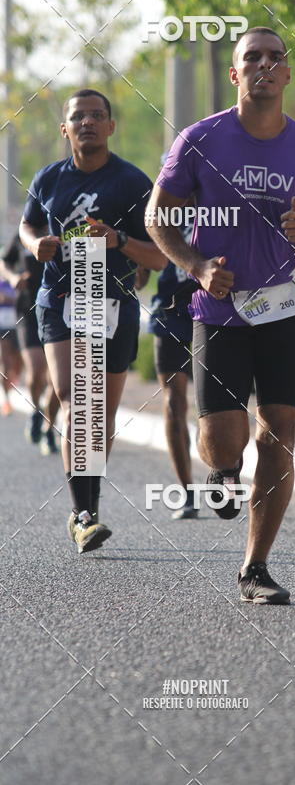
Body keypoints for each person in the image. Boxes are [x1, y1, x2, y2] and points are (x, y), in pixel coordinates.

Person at [146, 27, 295, 604]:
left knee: (279, 432)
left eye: (274, 58)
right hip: (219, 310)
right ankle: (222, 472)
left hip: (283, 310)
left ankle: (255, 568)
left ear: (287, 74)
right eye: (250, 58)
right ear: (234, 74)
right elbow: (158, 218)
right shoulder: (200, 139)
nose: (264, 65)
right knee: (223, 440)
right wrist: (197, 265)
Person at [19, 89, 166, 554]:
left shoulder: (133, 182)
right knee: (75, 400)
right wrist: (34, 244)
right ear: (64, 129)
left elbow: (159, 257)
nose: (87, 122)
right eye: (77, 117)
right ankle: (83, 516)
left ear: (110, 126)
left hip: (114, 304)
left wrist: (119, 239)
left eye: (96, 116)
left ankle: (88, 508)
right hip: (61, 299)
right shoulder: (47, 179)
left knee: (98, 416)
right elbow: (26, 226)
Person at [146, 221, 199, 519]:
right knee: (173, 403)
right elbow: (145, 258)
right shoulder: (163, 202)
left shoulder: (219, 196)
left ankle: (223, 470)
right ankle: (188, 492)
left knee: (213, 407)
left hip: (214, 307)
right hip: (169, 312)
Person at [0, 231, 60, 451]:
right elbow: (3, 262)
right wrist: (14, 278)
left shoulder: (66, 221)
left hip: (60, 310)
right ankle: (37, 410)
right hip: (28, 310)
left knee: (57, 380)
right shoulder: (24, 232)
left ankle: (49, 427)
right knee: (35, 370)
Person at [0, 277, 22, 415]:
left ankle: (13, 383)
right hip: (3, 323)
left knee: (18, 361)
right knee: (6, 362)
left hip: (19, 323)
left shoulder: (18, 276)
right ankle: (6, 399)